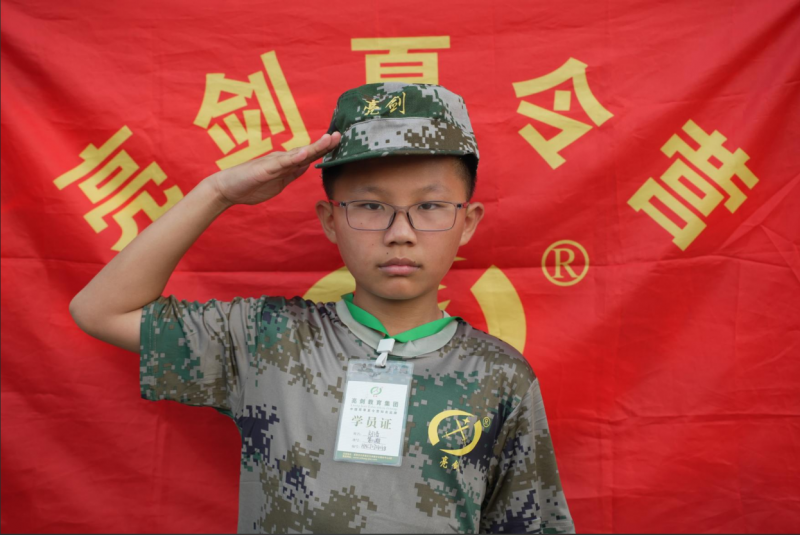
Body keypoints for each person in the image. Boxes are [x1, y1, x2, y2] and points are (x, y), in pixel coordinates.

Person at [70, 82, 575, 534]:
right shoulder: (267, 340)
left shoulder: (501, 376)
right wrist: (217, 192)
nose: (400, 233)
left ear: (468, 221)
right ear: (331, 220)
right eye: (371, 206)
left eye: (429, 206)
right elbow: (100, 311)